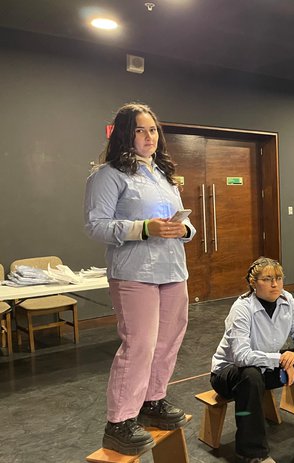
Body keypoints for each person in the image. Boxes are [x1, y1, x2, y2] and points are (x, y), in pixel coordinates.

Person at [84, 103, 196, 455]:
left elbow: (182, 224)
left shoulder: (162, 174)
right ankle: (119, 422)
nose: (149, 137)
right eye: (140, 130)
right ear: (124, 134)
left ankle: (153, 401)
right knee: (140, 346)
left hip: (172, 270)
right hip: (135, 273)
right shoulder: (107, 175)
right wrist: (144, 228)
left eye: (153, 130)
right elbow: (96, 226)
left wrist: (185, 229)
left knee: (168, 341)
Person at [210, 257, 294, 463]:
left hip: (266, 366)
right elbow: (241, 356)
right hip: (229, 374)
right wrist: (281, 359)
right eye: (267, 279)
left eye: (279, 278)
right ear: (253, 283)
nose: (275, 284)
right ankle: (253, 453)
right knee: (250, 375)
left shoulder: (287, 299)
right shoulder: (242, 308)